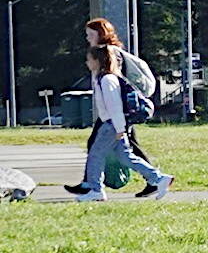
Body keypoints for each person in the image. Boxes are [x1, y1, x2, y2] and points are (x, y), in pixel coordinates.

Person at [71, 44, 173, 200]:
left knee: (95, 155)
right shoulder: (104, 78)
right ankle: (159, 179)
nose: (87, 63)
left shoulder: (107, 80)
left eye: (89, 59)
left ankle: (96, 190)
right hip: (115, 124)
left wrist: (120, 128)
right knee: (126, 157)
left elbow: (115, 107)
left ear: (98, 61)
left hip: (112, 125)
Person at [81, 18, 158, 165]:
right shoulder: (103, 51)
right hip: (116, 107)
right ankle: (154, 179)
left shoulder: (109, 53)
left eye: (91, 34)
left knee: (97, 143)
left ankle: (91, 183)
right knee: (128, 145)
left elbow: (115, 81)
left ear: (100, 34)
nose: (88, 38)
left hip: (116, 107)